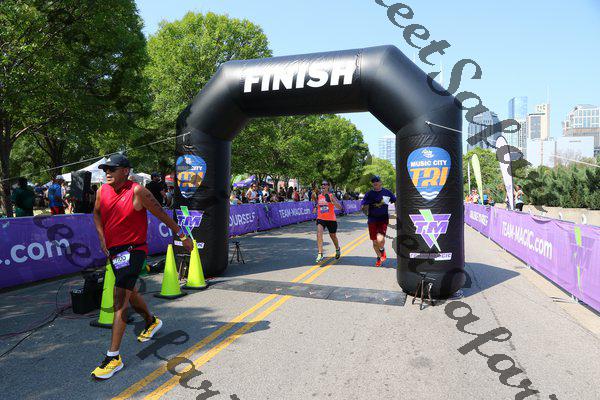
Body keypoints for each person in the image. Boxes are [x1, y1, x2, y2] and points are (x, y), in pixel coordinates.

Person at [90, 154, 194, 380]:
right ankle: (151, 321)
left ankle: (113, 357)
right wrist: (101, 238)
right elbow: (96, 213)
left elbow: (162, 215)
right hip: (115, 253)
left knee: (120, 300)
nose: (107, 172)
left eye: (112, 169)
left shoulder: (138, 191)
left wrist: (183, 236)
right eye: (105, 169)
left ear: (125, 171)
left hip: (134, 250)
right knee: (130, 292)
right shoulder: (102, 191)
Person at [361, 176, 396, 267]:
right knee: (374, 241)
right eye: (373, 181)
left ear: (380, 182)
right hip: (372, 219)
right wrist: (366, 213)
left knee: (380, 239)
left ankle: (382, 249)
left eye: (377, 181)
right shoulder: (369, 194)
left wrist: (398, 212)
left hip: (383, 219)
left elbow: (395, 200)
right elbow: (363, 205)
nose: (375, 182)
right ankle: (379, 257)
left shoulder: (387, 192)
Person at [313, 180, 342, 263]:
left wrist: (332, 201)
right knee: (319, 234)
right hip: (321, 218)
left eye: (325, 184)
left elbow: (340, 207)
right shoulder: (319, 196)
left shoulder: (331, 195)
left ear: (328, 186)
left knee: (333, 236)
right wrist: (315, 208)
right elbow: (317, 205)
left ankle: (337, 249)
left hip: (331, 219)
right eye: (322, 184)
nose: (323, 185)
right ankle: (320, 253)